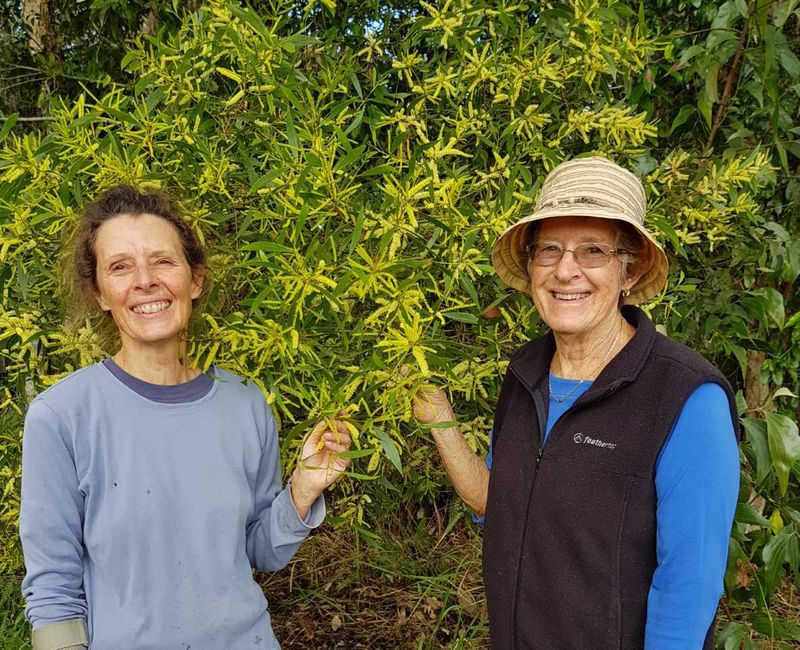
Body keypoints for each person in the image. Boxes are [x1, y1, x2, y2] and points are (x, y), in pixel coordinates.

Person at [411, 157, 740, 649]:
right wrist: (440, 421)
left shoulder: (686, 398)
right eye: (549, 250)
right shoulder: (526, 374)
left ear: (631, 270)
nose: (566, 271)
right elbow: (495, 503)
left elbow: (688, 586)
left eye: (593, 251)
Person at [20, 185, 351, 650]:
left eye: (162, 261)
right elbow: (53, 587)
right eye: (120, 267)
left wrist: (301, 491)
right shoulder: (61, 416)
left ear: (195, 280)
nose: (145, 281)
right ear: (99, 293)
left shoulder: (245, 401)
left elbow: (259, 551)